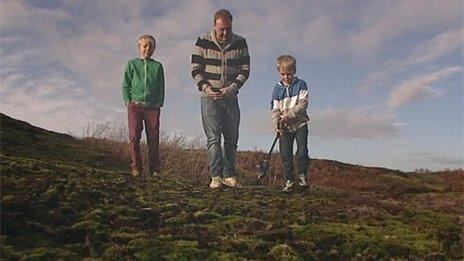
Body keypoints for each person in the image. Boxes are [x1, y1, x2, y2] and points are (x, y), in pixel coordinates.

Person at [191, 9, 250, 189]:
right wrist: (206, 87)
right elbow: (195, 68)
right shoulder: (202, 41)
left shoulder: (240, 42)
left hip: (231, 98)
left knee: (231, 138)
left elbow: (245, 70)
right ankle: (215, 175)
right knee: (213, 138)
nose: (224, 33)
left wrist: (232, 88)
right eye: (221, 29)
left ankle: (229, 175)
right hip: (209, 98)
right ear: (214, 26)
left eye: (227, 29)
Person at [122, 34, 164, 178]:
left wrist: (159, 103)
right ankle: (136, 168)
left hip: (152, 107)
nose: (148, 48)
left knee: (153, 138)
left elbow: (161, 87)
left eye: (151, 46)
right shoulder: (132, 64)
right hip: (135, 106)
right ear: (139, 47)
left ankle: (154, 169)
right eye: (145, 46)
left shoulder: (158, 66)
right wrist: (128, 100)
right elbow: (126, 84)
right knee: (134, 136)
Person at [270, 55, 310, 192]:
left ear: (294, 71)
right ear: (279, 72)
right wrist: (277, 124)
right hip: (284, 127)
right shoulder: (276, 89)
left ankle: (302, 176)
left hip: (300, 124)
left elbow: (303, 104)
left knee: (302, 151)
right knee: (285, 154)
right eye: (283, 74)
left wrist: (288, 116)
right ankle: (288, 181)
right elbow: (275, 109)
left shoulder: (301, 84)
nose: (286, 77)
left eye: (289, 74)